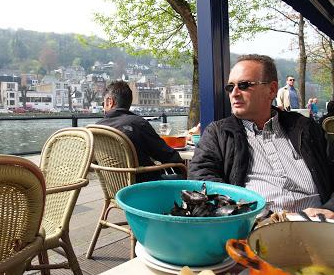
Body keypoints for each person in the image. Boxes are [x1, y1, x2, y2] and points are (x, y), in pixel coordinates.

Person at [189, 54, 334, 219]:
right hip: (256, 225)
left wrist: (330, 208)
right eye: (230, 87)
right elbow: (201, 177)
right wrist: (252, 213)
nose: (234, 93)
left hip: (318, 223)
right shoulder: (218, 133)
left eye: (244, 85)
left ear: (271, 90)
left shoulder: (304, 127)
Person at [97, 81, 185, 182]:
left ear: (109, 102)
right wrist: (182, 167)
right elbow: (167, 155)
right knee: (182, 176)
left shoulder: (96, 128)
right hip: (143, 188)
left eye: (103, 104)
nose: (103, 107)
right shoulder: (137, 123)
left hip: (113, 187)